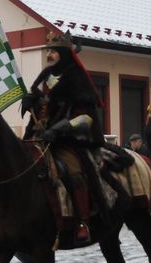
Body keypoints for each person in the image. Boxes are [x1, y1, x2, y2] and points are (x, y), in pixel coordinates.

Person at [22, 31, 106, 245]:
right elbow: (42, 107)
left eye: (53, 50)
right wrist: (32, 101)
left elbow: (86, 118)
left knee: (74, 171)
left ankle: (83, 222)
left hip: (67, 141)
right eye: (48, 50)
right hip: (38, 138)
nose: (49, 54)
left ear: (63, 53)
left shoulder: (77, 79)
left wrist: (60, 128)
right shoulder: (44, 77)